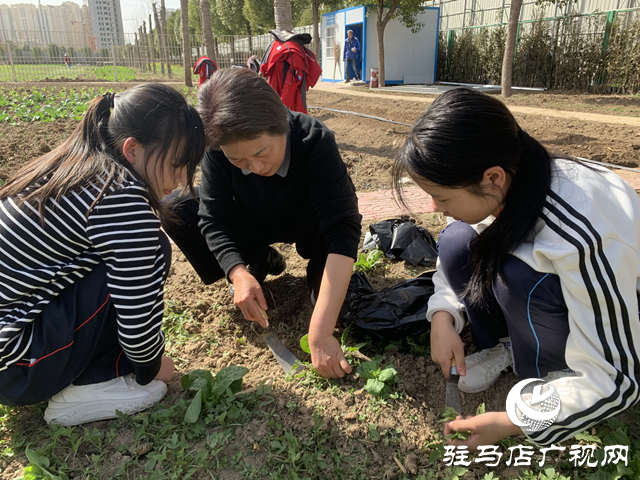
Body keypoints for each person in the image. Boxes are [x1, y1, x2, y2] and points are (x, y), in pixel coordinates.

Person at [393, 88, 640, 447]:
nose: (433, 206)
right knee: (456, 239)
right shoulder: (516, 178)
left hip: (619, 312)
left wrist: (513, 421)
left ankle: (556, 374)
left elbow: (618, 380)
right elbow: (456, 255)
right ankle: (508, 345)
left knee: (517, 273)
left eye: (443, 196)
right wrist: (443, 315)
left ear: (492, 178)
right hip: (570, 290)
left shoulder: (581, 236)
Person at [0, 84, 205, 426]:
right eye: (176, 165)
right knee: (152, 249)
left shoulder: (74, 166)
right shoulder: (119, 196)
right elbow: (136, 314)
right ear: (132, 149)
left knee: (138, 253)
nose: (182, 180)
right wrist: (151, 367)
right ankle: (90, 385)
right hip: (16, 368)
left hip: (13, 348)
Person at [163, 68, 362, 379]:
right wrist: (236, 272)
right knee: (176, 207)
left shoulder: (314, 139)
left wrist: (321, 333)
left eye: (261, 152)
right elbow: (213, 219)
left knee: (332, 300)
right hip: (253, 218)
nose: (254, 168)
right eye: (238, 161)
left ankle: (316, 272)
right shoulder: (217, 150)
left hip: (307, 221)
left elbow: (343, 228)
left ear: (280, 123)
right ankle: (256, 260)